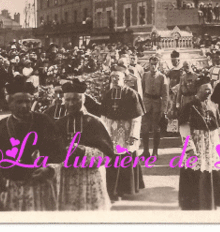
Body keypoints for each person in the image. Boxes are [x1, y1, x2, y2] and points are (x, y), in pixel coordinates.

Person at [0, 76, 65, 211]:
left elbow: (59, 151)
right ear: (9, 104)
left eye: (28, 101)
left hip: (39, 186)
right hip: (10, 187)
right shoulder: (1, 126)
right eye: (19, 102)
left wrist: (49, 169)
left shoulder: (44, 121)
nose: (24, 106)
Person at [55, 80, 114, 210]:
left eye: (75, 99)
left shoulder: (95, 122)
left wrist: (83, 151)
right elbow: (50, 153)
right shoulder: (59, 124)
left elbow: (108, 155)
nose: (71, 103)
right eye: (68, 100)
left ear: (84, 99)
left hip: (91, 178)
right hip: (65, 179)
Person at [178, 83, 220, 210]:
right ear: (198, 90)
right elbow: (184, 129)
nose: (208, 92)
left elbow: (219, 127)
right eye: (205, 89)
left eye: (210, 90)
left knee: (212, 172)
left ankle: (210, 202)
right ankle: (194, 203)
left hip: (212, 144)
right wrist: (189, 148)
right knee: (196, 171)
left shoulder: (213, 105)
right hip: (197, 144)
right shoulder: (189, 106)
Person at [101, 71, 145, 201]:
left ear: (124, 79)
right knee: (112, 160)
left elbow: (137, 117)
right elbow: (103, 116)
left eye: (118, 77)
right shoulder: (108, 95)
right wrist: (103, 132)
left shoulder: (131, 94)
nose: (115, 80)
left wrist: (134, 135)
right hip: (111, 130)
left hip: (126, 130)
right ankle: (113, 190)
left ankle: (125, 189)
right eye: (113, 77)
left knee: (126, 159)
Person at [141, 56, 169, 157]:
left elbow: (165, 95)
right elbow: (142, 90)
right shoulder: (145, 75)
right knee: (144, 128)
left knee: (156, 128)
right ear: (149, 64)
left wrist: (164, 109)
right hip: (146, 104)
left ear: (158, 65)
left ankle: (155, 152)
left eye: (155, 64)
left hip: (157, 104)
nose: (153, 66)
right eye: (151, 64)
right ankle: (145, 151)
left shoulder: (162, 77)